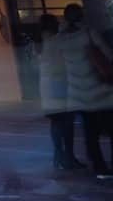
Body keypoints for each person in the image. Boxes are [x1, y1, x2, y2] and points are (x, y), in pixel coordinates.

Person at [56, 3, 113, 180]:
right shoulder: (89, 33)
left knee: (91, 133)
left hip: (78, 93)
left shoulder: (60, 39)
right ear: (81, 16)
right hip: (102, 89)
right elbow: (108, 55)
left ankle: (100, 167)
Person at [36, 13, 83, 170]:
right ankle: (68, 156)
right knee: (67, 123)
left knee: (56, 122)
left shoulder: (39, 43)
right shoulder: (55, 41)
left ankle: (59, 154)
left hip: (47, 87)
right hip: (60, 84)